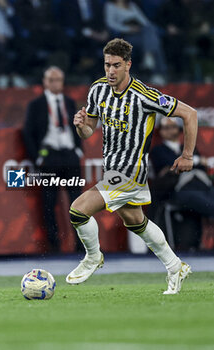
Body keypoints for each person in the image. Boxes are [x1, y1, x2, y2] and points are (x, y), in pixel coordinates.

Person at [66, 38, 198, 295]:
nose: (110, 71)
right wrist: (81, 125)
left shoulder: (144, 95)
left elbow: (190, 114)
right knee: (135, 221)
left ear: (128, 65)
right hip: (112, 171)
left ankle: (93, 257)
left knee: (78, 211)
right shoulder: (98, 90)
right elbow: (88, 131)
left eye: (116, 65)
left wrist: (188, 156)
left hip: (130, 174)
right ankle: (175, 267)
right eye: (107, 65)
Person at [23, 66, 83, 252]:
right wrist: (37, 159)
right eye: (51, 79)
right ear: (45, 82)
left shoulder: (70, 102)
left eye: (59, 80)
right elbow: (28, 133)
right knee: (49, 203)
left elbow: (78, 128)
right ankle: (54, 245)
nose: (55, 83)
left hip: (70, 156)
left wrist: (78, 150)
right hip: (49, 157)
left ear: (63, 82)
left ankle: (81, 245)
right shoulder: (36, 105)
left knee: (79, 203)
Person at [151, 117, 214, 219]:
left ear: (179, 128)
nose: (169, 130)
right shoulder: (158, 150)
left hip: (201, 185)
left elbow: (202, 167)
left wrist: (186, 164)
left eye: (172, 127)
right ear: (161, 131)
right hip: (177, 189)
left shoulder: (189, 148)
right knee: (207, 204)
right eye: (165, 128)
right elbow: (172, 163)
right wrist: (196, 161)